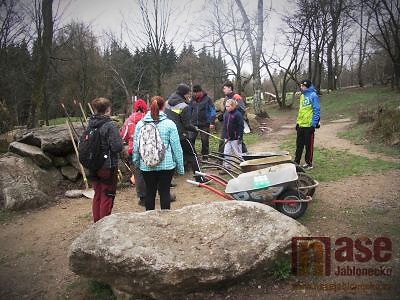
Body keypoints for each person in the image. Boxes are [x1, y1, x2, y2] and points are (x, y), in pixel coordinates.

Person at [132, 96, 184, 210]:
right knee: (165, 193)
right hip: (167, 165)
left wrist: (137, 163)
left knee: (150, 193)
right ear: (163, 107)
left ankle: (150, 220)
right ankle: (165, 220)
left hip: (147, 165)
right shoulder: (170, 124)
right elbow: (177, 148)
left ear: (150, 106)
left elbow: (136, 147)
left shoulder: (141, 124)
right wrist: (180, 167)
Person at [165, 83, 209, 184]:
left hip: (168, 134)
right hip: (180, 135)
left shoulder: (167, 102)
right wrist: (195, 129)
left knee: (170, 157)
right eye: (188, 94)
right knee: (192, 154)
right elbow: (187, 125)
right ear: (183, 94)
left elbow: (171, 116)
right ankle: (200, 178)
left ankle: (168, 181)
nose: (189, 96)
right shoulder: (184, 106)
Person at [88, 97, 123, 222]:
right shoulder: (109, 125)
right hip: (107, 165)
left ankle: (97, 222)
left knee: (97, 193)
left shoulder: (90, 124)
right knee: (107, 194)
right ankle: (104, 224)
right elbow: (117, 146)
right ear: (108, 109)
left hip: (92, 164)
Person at [120, 98, 147, 206]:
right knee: (150, 172)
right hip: (147, 150)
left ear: (135, 108)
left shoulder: (129, 121)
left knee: (138, 174)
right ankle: (153, 193)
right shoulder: (148, 119)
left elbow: (123, 136)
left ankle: (143, 197)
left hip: (133, 150)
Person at [294, 79, 320, 170]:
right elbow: (301, 111)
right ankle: (296, 162)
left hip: (309, 126)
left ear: (307, 86)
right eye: (301, 86)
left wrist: (313, 124)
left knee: (308, 146)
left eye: (302, 86)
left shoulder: (313, 95)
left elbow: (316, 110)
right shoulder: (302, 96)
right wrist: (298, 123)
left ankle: (309, 163)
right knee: (299, 145)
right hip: (301, 125)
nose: (301, 87)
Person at [218, 81, 247, 154]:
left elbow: (242, 110)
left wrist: (234, 114)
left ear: (230, 88)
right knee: (223, 140)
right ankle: (221, 159)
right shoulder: (226, 98)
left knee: (239, 141)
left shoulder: (236, 97)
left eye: (224, 88)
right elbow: (226, 109)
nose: (223, 90)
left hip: (236, 124)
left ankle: (245, 157)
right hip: (226, 123)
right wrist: (223, 115)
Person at [188, 84, 216, 161]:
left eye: (197, 92)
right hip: (193, 124)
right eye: (194, 93)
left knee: (204, 140)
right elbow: (189, 110)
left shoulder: (207, 99)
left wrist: (212, 122)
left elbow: (212, 111)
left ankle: (205, 156)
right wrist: (188, 121)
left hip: (205, 124)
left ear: (201, 92)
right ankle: (192, 156)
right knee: (191, 139)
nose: (195, 94)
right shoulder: (192, 100)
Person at [222, 99, 244, 170]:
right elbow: (225, 126)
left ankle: (244, 166)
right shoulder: (226, 113)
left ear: (233, 106)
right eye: (226, 106)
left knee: (238, 154)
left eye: (228, 106)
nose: (226, 108)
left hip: (235, 138)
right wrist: (225, 136)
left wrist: (240, 137)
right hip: (227, 138)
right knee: (226, 153)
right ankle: (227, 167)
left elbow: (241, 126)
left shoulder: (237, 114)